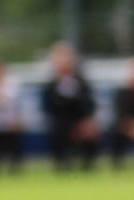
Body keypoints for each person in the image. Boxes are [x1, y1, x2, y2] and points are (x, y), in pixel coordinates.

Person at [39, 42, 98, 172]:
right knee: (56, 130)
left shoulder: (82, 82)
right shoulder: (50, 84)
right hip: (60, 122)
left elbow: (89, 104)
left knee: (90, 130)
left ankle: (87, 165)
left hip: (80, 121)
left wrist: (85, 122)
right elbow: (47, 107)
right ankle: (62, 165)